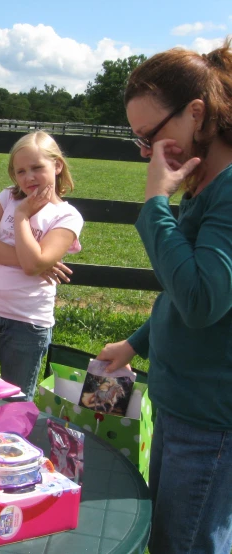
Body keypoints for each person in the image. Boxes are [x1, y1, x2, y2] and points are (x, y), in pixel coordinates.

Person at [97, 40, 232, 554]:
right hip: (181, 405)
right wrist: (136, 343)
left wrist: (156, 204)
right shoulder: (205, 185)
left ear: (196, 113)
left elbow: (201, 301)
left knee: (186, 544)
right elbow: (182, 293)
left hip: (209, 422)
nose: (146, 153)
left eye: (149, 136)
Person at [0, 131, 83, 400]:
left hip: (27, 323)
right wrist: (30, 262)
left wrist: (22, 216)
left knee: (15, 404)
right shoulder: (8, 198)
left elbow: (34, 263)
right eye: (20, 171)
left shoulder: (67, 216)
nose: (29, 177)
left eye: (37, 168)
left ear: (57, 166)